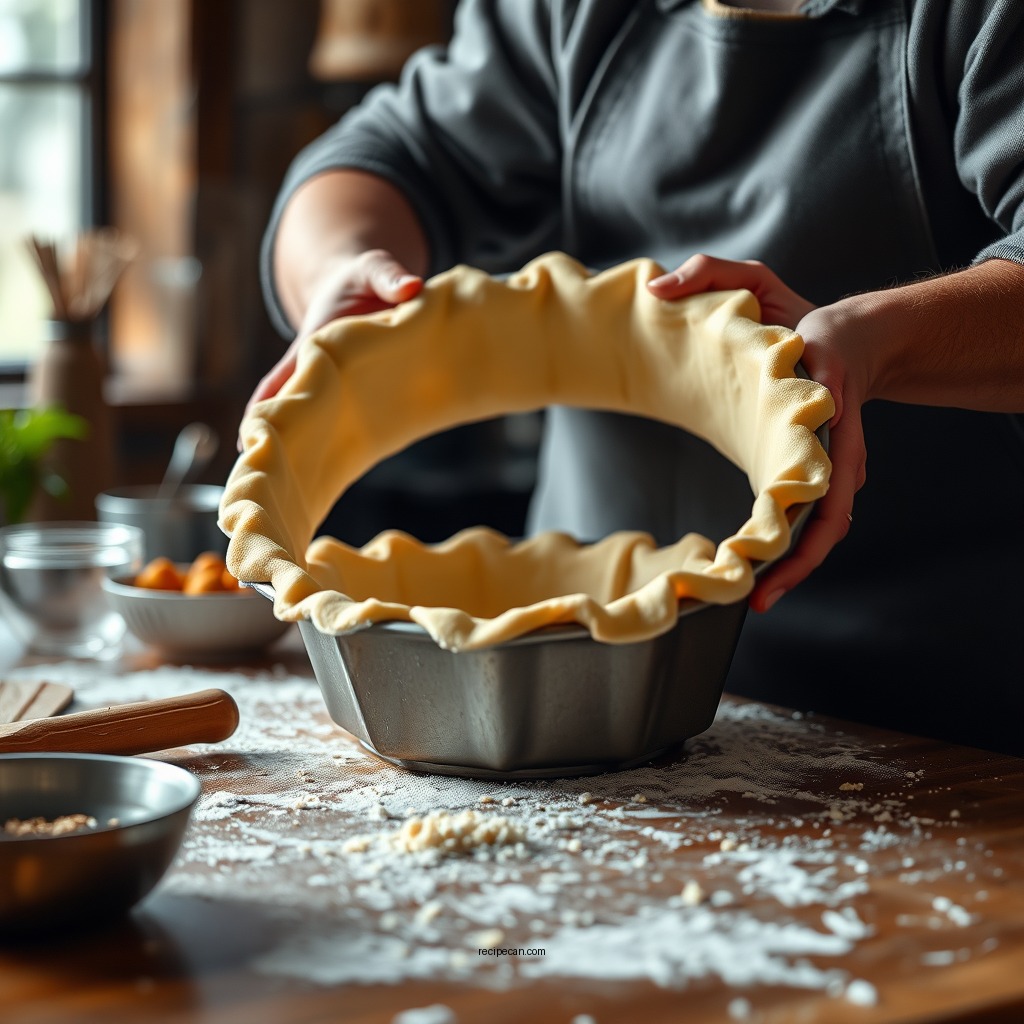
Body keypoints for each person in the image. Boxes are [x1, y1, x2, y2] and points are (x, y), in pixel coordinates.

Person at [250, 0, 1024, 755]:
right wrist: (341, 269)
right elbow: (390, 156)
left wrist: (869, 341)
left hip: (932, 719)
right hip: (561, 681)